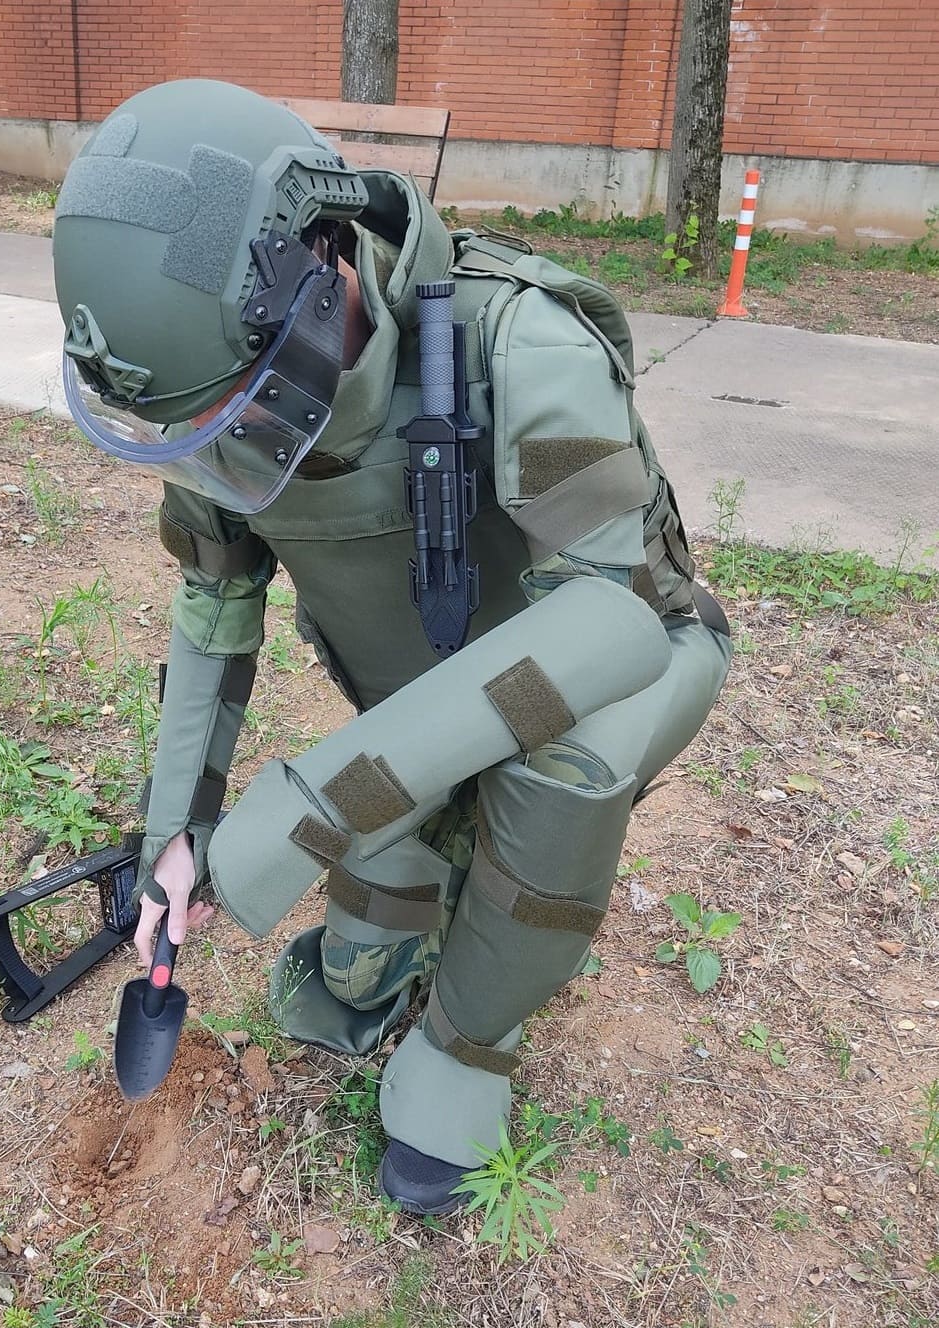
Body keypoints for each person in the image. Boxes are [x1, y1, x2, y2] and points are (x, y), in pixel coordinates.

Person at [52, 78, 732, 1215]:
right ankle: (436, 862)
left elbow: (612, 617)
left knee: (557, 772)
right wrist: (180, 830)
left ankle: (468, 1046)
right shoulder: (219, 389)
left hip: (626, 664)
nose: (223, 455)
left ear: (325, 271)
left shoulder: (522, 344)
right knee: (353, 971)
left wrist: (312, 805)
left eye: (242, 414)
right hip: (430, 688)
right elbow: (216, 606)